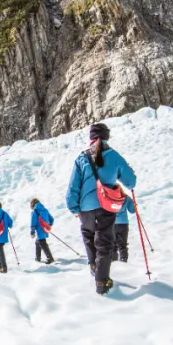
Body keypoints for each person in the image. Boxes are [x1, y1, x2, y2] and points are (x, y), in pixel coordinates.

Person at [66, 123, 137, 295]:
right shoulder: (114, 156)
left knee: (89, 236)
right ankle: (102, 282)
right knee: (104, 243)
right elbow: (130, 182)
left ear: (91, 138)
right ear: (107, 137)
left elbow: (72, 189)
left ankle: (93, 266)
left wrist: (75, 208)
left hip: (85, 209)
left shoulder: (81, 158)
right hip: (106, 206)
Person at [30, 198, 55, 264]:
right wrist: (48, 225)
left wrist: (32, 232)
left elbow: (33, 223)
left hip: (39, 230)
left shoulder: (35, 212)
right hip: (45, 229)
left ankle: (50, 258)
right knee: (38, 242)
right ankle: (38, 257)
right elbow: (52, 219)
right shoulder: (45, 210)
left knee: (42, 243)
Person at [115, 197, 136, 263]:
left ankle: (113, 263)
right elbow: (133, 210)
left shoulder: (107, 195)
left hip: (111, 223)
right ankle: (123, 261)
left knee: (112, 245)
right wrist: (134, 203)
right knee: (122, 245)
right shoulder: (125, 197)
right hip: (123, 223)